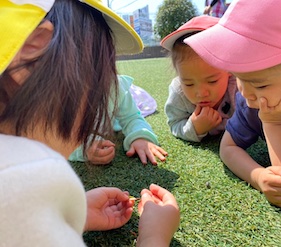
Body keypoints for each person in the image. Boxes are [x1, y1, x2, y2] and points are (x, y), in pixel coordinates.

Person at [0, 0, 180, 246]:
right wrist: (153, 237)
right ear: (34, 45)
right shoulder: (28, 176)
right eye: (94, 71)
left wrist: (71, 213)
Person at [185, 0, 281, 209]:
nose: (244, 91)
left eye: (260, 84)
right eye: (238, 77)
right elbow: (228, 147)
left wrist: (274, 124)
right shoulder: (251, 96)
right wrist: (259, 176)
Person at [161, 15, 237, 142]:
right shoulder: (178, 92)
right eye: (188, 84)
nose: (201, 93)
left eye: (212, 81)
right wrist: (194, 127)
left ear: (229, 69)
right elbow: (175, 124)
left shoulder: (239, 86)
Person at [69, 74, 168, 165]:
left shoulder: (114, 85)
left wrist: (140, 137)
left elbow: (131, 117)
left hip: (112, 120)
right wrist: (83, 149)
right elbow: (56, 140)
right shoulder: (58, 93)